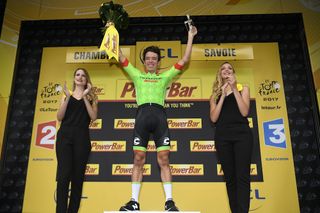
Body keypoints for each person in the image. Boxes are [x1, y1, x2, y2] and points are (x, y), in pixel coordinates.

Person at [116, 25, 197, 211]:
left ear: (159, 62)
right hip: (142, 117)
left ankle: (169, 202)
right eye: (148, 59)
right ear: (144, 62)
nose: (151, 61)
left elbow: (184, 60)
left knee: (164, 159)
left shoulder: (165, 77)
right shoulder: (137, 75)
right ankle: (134, 202)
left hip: (160, 118)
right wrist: (114, 34)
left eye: (154, 59)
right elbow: (120, 56)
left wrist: (190, 36)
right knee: (138, 158)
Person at [209, 62, 253, 213]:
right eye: (223, 68)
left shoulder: (243, 88)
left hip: (242, 135)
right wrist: (221, 95)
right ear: (219, 73)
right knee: (230, 178)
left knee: (242, 176)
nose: (226, 70)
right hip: (223, 137)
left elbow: (244, 111)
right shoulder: (215, 95)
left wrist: (234, 88)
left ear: (233, 73)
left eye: (229, 68)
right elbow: (214, 118)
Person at [56, 68, 98, 213]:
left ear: (87, 80)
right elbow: (59, 117)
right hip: (64, 137)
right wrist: (67, 97)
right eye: (77, 75)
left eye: (83, 75)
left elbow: (93, 117)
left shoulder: (92, 98)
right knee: (63, 176)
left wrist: (86, 96)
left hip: (82, 139)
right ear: (74, 78)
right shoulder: (66, 95)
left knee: (77, 178)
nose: (80, 77)